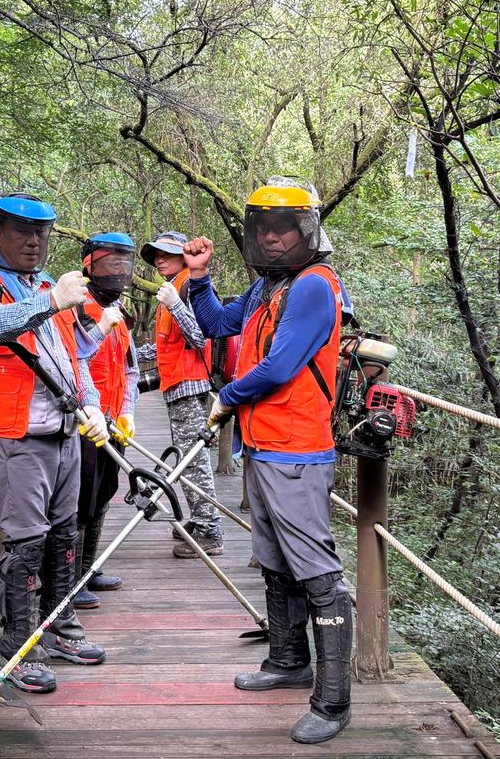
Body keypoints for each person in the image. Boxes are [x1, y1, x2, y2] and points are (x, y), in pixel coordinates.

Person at [182, 177, 352, 744]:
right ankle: (286, 659)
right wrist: (199, 276)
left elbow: (279, 368)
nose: (273, 238)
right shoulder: (267, 288)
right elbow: (218, 324)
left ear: (308, 231)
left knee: (316, 568)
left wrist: (225, 397)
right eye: (264, 229)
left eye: (285, 228)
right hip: (261, 444)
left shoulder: (313, 287)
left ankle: (333, 702)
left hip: (297, 448)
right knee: (274, 558)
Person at [0, 193, 115, 695]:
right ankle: (18, 651)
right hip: (15, 434)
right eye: (22, 231)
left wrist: (91, 405)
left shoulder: (53, 285)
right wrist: (51, 301)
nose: (32, 241)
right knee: (26, 542)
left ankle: (60, 630)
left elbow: (76, 357)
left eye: (41, 233)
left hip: (66, 432)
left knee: (65, 534)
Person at [135, 231, 224, 558]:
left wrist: (174, 304)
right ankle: (200, 521)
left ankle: (210, 530)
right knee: (189, 460)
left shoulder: (187, 286)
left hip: (190, 384)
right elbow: (166, 342)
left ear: (184, 256)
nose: (159, 260)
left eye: (165, 254)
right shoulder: (175, 285)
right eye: (155, 255)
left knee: (194, 461)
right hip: (176, 384)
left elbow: (200, 336)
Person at [72, 233, 140, 610]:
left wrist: (128, 411)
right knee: (80, 499)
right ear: (89, 264)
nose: (119, 272)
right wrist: (100, 327)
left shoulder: (121, 316)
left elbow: (129, 371)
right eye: (110, 263)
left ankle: (89, 567)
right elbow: (73, 359)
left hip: (114, 423)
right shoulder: (76, 308)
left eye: (124, 264)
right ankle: (70, 579)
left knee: (103, 495)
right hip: (83, 422)